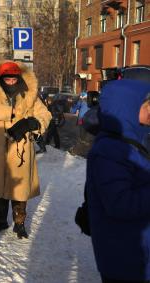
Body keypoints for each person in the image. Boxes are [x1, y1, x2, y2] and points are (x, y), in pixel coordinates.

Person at [0, 60, 51, 239]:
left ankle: (19, 223)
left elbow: (45, 114)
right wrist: (13, 112)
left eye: (13, 78)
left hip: (21, 148)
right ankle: (0, 221)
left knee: (20, 188)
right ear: (1, 78)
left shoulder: (29, 94)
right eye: (7, 78)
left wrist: (32, 123)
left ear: (18, 77)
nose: (10, 81)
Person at [86, 79, 150, 282]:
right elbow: (121, 204)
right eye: (148, 107)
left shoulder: (133, 140)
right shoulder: (109, 151)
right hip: (126, 259)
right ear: (128, 108)